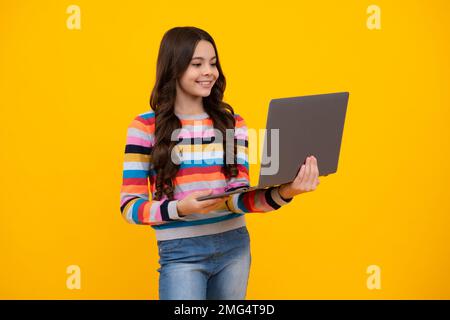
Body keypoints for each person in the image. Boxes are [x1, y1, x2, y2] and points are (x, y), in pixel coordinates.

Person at [119, 26, 320, 300]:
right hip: (181, 252)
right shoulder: (144, 127)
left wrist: (287, 191)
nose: (209, 72)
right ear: (173, 68)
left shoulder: (233, 124)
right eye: (197, 64)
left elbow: (237, 200)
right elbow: (130, 207)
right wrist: (180, 208)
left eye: (213, 63)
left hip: (235, 248)